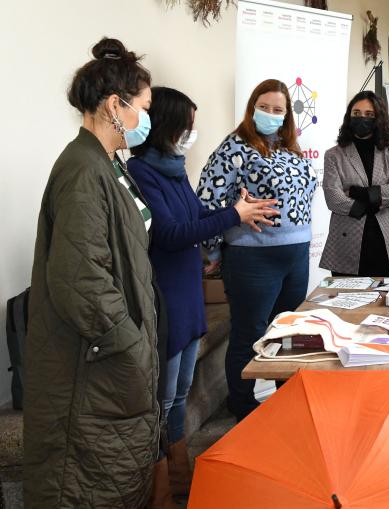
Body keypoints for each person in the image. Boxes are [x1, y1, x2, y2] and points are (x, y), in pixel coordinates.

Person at [25, 37, 162, 508]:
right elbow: (80, 279)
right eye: (142, 107)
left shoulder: (105, 163)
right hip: (93, 368)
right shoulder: (83, 169)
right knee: (83, 486)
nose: (146, 118)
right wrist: (131, 344)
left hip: (107, 363)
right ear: (114, 105)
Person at [129, 87, 279, 497]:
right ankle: (167, 481)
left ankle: (180, 472)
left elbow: (198, 216)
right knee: (165, 397)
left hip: (189, 292)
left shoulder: (173, 170)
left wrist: (239, 209)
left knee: (179, 392)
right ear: (166, 125)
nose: (191, 134)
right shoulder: (141, 173)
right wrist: (233, 214)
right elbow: (171, 233)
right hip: (168, 295)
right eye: (187, 125)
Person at [198, 79, 318, 421]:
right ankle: (244, 408)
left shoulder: (290, 148)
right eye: (263, 107)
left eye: (277, 109)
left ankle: (287, 403)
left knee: (289, 334)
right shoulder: (234, 146)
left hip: (295, 255)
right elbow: (207, 197)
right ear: (252, 108)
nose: (270, 114)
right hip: (253, 257)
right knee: (249, 334)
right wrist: (215, 251)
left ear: (286, 116)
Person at [320, 91, 389, 277]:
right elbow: (333, 197)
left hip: (388, 238)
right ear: (349, 116)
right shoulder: (334, 154)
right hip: (348, 238)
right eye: (356, 113)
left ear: (378, 118)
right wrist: (371, 201)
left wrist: (358, 193)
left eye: (369, 115)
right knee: (348, 300)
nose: (361, 118)